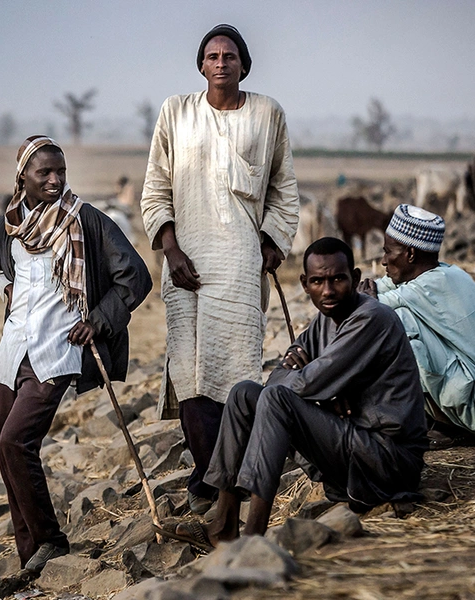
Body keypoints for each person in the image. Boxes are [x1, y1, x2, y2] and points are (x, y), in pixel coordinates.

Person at [159, 237, 427, 550]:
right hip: (353, 445)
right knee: (245, 393)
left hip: (386, 460)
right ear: (305, 284)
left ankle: (253, 540)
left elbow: (300, 385)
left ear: (354, 278)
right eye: (317, 281)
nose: (327, 291)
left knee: (276, 399)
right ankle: (225, 523)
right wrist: (320, 389)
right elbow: (279, 377)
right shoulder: (324, 319)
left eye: (337, 279)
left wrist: (313, 383)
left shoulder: (371, 319)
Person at [140, 23, 300, 514]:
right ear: (201, 65)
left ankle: (222, 480)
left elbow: (283, 188)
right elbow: (155, 188)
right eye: (212, 56)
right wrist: (171, 250)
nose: (221, 63)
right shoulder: (175, 112)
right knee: (189, 373)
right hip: (185, 264)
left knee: (234, 374)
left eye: (230, 56)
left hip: (240, 263)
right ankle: (212, 479)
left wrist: (272, 243)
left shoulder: (267, 113)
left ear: (244, 64)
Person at [0, 135, 152, 573]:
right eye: (44, 173)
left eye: (61, 172)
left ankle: (52, 541)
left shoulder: (86, 220)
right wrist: (4, 285)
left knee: (17, 442)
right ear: (23, 179)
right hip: (13, 349)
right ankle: (29, 558)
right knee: (5, 451)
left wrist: (99, 320)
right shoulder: (11, 223)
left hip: (58, 350)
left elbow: (135, 278)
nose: (55, 180)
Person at [359, 204, 475, 448]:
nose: (382, 261)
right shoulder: (441, 273)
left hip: (470, 402)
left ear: (410, 255)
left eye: (388, 252)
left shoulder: (433, 285)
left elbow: (372, 305)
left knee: (392, 323)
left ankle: (447, 425)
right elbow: (379, 288)